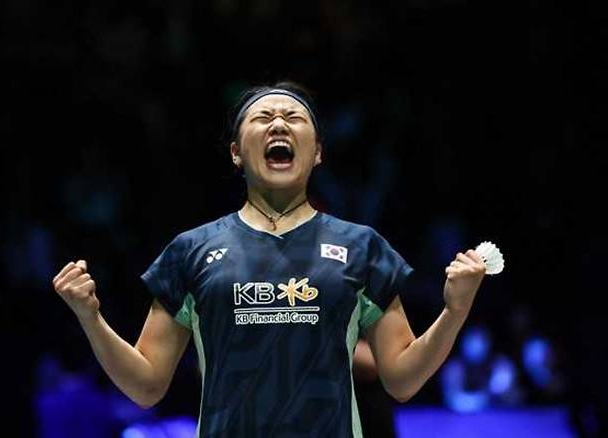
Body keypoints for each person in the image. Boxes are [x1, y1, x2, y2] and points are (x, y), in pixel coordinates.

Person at [52, 81, 488, 437]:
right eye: (262, 118)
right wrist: (91, 318)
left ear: (317, 152)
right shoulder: (190, 251)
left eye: (294, 118)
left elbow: (402, 379)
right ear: (236, 153)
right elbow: (146, 386)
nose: (279, 122)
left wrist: (455, 311)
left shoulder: (362, 248)